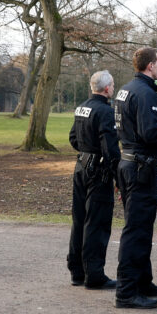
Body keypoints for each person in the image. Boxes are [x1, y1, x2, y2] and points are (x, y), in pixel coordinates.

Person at [114, 46, 157, 309]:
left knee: (141, 227)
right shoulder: (145, 93)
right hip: (140, 168)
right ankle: (127, 292)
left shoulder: (127, 89)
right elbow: (150, 134)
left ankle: (143, 281)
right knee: (137, 230)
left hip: (130, 162)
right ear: (150, 66)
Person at [66, 70, 119, 290]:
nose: (113, 88)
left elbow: (73, 138)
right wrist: (117, 175)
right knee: (96, 222)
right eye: (113, 85)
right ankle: (94, 274)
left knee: (79, 219)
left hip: (81, 168)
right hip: (99, 172)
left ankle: (77, 271)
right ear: (107, 88)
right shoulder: (106, 111)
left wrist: (86, 152)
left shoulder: (82, 108)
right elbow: (110, 148)